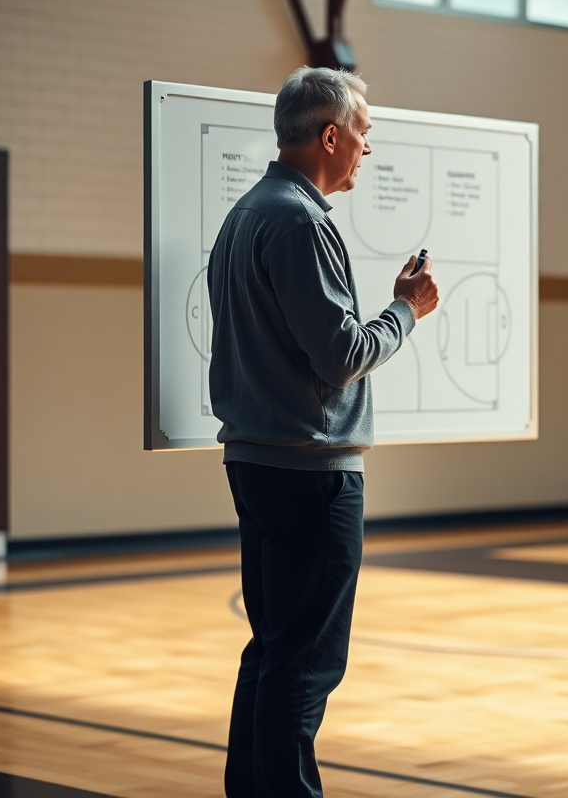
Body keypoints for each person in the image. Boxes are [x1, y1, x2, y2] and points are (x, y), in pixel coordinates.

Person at [207, 66, 438, 798]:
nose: (367, 149)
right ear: (330, 135)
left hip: (258, 464)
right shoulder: (301, 220)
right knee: (306, 664)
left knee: (273, 650)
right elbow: (342, 357)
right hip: (311, 475)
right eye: (363, 133)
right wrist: (405, 311)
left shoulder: (246, 213)